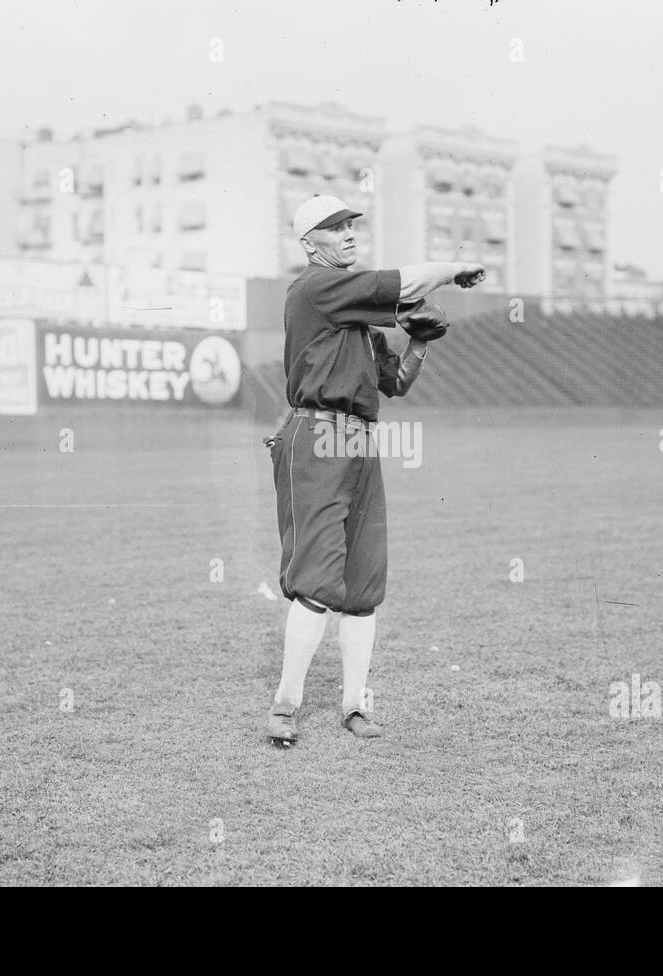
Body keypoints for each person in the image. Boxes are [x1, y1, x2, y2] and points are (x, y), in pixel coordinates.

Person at [264, 194, 484, 746]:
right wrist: (452, 270)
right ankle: (285, 707)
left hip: (358, 438)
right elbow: (406, 286)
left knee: (363, 584)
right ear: (310, 243)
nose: (347, 233)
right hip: (316, 436)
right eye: (335, 227)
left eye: (350, 225)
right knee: (316, 578)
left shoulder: (359, 318)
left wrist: (417, 343)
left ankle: (354, 708)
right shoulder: (315, 288)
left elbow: (396, 384)